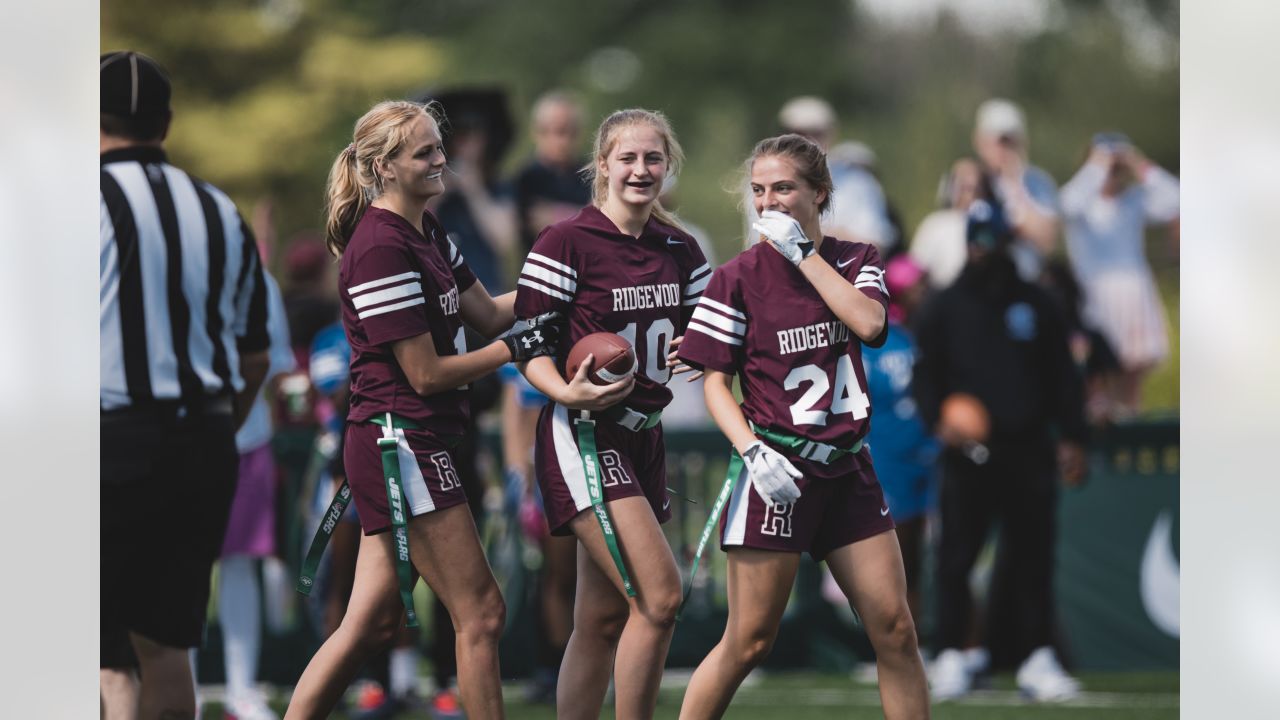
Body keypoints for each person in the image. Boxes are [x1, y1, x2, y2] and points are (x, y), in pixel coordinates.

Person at [283, 99, 565, 720]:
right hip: (401, 441)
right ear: (383, 167)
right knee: (482, 612)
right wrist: (512, 351)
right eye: (426, 152)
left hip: (417, 437)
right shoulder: (380, 245)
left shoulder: (426, 228)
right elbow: (426, 374)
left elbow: (490, 312)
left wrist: (565, 287)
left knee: (365, 625)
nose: (444, 159)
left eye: (440, 146)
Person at [677, 134, 930, 719]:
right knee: (749, 642)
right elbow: (714, 383)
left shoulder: (856, 258)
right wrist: (751, 453)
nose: (770, 203)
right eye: (760, 191)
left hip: (848, 467)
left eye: (784, 188)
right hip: (779, 469)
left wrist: (804, 256)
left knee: (895, 629)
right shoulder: (736, 277)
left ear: (820, 193)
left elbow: (870, 325)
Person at [514, 108, 710, 719]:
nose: (641, 170)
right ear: (602, 166)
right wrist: (566, 392)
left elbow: (710, 335)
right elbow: (527, 342)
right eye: (627, 158)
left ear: (668, 166)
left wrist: (699, 350)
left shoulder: (680, 247)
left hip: (645, 438)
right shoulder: (565, 241)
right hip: (586, 435)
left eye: (653, 158)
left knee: (598, 619)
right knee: (660, 597)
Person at [100, 50, 271, 719]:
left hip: (110, 441)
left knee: (104, 652)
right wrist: (216, 431)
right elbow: (255, 357)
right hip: (202, 438)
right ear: (165, 123)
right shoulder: (219, 210)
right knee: (166, 644)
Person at [913, 199, 1088, 702]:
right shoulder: (944, 304)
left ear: (1005, 240)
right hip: (966, 455)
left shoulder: (1037, 301)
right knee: (955, 559)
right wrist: (939, 419)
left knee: (1033, 560)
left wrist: (1073, 436)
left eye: (991, 238)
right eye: (976, 239)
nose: (983, 249)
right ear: (967, 241)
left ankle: (1036, 657)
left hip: (1029, 449)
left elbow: (1063, 376)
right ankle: (950, 654)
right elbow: (924, 374)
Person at [506, 89, 594, 704]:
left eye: (570, 129)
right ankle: (556, 666)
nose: (561, 138)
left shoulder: (587, 183)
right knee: (557, 568)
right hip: (549, 450)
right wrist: (518, 474)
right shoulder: (524, 181)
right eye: (553, 128)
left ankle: (582, 667)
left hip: (597, 445)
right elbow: (521, 396)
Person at [213, 269, 296, 720]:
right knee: (177, 569)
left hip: (248, 438)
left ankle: (241, 689)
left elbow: (274, 362)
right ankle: (182, 690)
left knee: (241, 562)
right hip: (180, 436)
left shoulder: (259, 279)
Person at [1059, 132, 1179, 420]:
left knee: (1130, 384)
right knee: (1095, 380)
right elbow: (1066, 204)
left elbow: (1175, 200)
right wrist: (1095, 166)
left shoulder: (1134, 201)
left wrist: (1139, 164)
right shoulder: (1083, 204)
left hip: (1132, 299)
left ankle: (1130, 444)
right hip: (1094, 301)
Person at [860, 255, 939, 624]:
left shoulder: (926, 336)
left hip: (930, 455)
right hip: (889, 461)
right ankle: (898, 638)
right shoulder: (871, 340)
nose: (925, 292)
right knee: (898, 556)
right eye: (917, 286)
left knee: (937, 554)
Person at [762, 96, 896, 254]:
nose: (806, 140)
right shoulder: (763, 180)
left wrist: (807, 234)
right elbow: (766, 243)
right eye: (797, 133)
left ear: (832, 133)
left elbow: (874, 246)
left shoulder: (859, 183)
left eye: (816, 133)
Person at [971, 98, 1061, 282]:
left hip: (1027, 279)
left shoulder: (1038, 182)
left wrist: (1015, 185)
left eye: (1011, 142)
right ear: (979, 141)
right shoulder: (968, 181)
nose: (1005, 149)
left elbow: (1047, 238)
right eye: (1001, 141)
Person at [512, 91, 593, 255]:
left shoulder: (592, 174)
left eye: (573, 131)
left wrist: (557, 214)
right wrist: (591, 215)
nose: (566, 141)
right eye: (560, 131)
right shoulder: (527, 179)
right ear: (537, 132)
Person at [909, 157, 996, 290]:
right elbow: (917, 269)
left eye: (976, 187)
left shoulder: (993, 223)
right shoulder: (935, 224)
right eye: (964, 187)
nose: (971, 193)